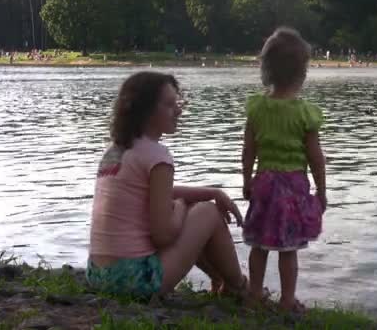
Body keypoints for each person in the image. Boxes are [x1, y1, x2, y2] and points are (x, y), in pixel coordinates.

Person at [87, 72, 250, 300]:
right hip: (136, 281)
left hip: (99, 275)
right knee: (207, 212)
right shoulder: (158, 155)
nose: (179, 110)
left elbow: (150, 194)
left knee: (195, 206)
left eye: (178, 102)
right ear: (146, 110)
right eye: (170, 104)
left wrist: (213, 192)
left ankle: (220, 280)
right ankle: (239, 287)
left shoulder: (115, 150)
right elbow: (163, 236)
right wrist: (182, 205)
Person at [241, 27, 327, 313]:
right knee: (288, 248)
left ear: (266, 69)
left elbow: (248, 151)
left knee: (258, 243)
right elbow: (316, 158)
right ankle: (287, 300)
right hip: (293, 186)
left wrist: (247, 180)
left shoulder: (256, 108)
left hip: (264, 183)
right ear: (301, 72)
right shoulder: (304, 113)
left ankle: (254, 294)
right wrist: (322, 191)